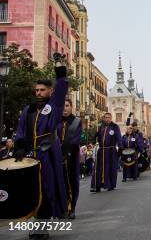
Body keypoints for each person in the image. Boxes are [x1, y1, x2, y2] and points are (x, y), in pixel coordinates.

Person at [13, 55, 68, 238]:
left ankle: (42, 228)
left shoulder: (54, 106)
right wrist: (19, 146)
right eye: (36, 90)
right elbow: (20, 130)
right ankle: (35, 225)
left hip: (48, 154)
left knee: (46, 189)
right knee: (31, 191)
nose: (38, 92)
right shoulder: (28, 110)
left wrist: (59, 67)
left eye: (42, 90)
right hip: (31, 156)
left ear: (49, 91)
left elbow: (62, 86)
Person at [57, 97, 82, 219]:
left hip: (71, 156)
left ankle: (72, 208)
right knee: (59, 182)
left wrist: (66, 150)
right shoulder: (56, 121)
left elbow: (76, 139)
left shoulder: (76, 121)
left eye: (67, 106)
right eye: (62, 106)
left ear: (71, 107)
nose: (64, 108)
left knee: (71, 182)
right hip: (57, 156)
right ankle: (62, 209)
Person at [90, 112, 122, 192]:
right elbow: (95, 136)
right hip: (101, 150)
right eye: (106, 117)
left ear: (111, 118)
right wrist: (92, 141)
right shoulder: (101, 127)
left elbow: (119, 138)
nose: (107, 119)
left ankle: (110, 185)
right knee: (98, 168)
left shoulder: (115, 127)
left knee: (110, 168)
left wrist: (120, 149)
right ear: (104, 118)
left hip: (111, 151)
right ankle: (97, 186)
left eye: (109, 117)